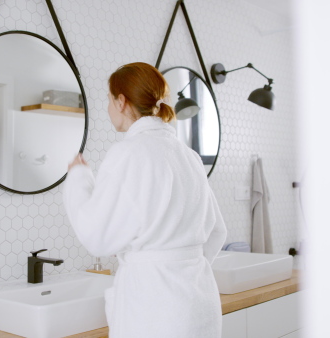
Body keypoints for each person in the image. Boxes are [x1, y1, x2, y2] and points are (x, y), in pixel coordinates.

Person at [63, 62, 227, 337]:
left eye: (109, 99)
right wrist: (181, 265)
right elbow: (217, 232)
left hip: (156, 306)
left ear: (122, 101)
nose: (108, 108)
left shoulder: (128, 153)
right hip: (199, 300)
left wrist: (79, 178)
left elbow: (97, 237)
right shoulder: (188, 156)